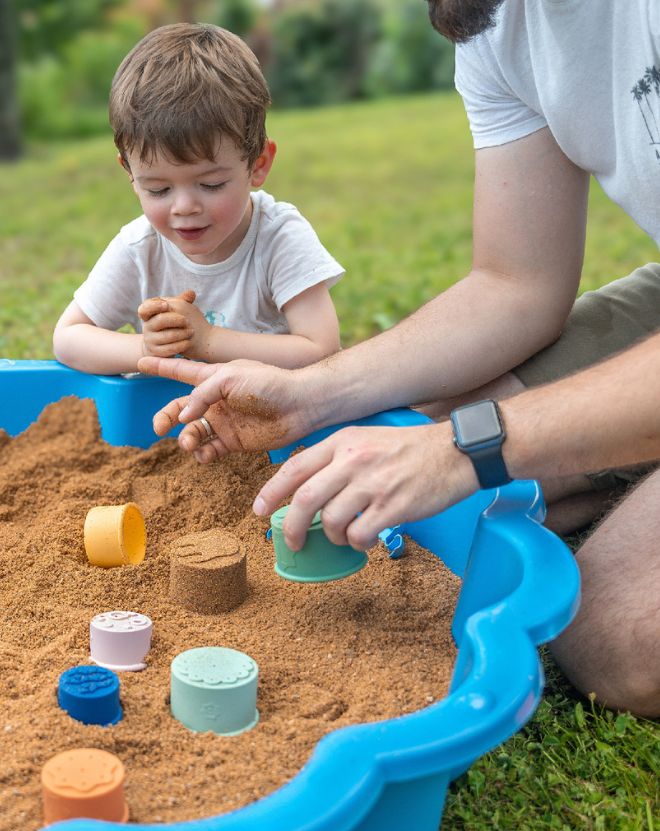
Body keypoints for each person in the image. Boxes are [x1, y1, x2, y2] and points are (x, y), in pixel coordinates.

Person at [138, 0, 660, 718]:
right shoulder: (491, 18)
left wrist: (463, 448)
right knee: (414, 449)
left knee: (618, 637)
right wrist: (314, 391)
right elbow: (517, 285)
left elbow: (465, 445)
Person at [52, 23, 344, 376]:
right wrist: (143, 348)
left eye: (211, 184)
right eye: (158, 190)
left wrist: (208, 341)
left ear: (258, 165)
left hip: (266, 408)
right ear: (130, 174)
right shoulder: (140, 248)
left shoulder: (278, 237)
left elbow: (322, 351)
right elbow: (68, 338)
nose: (184, 207)